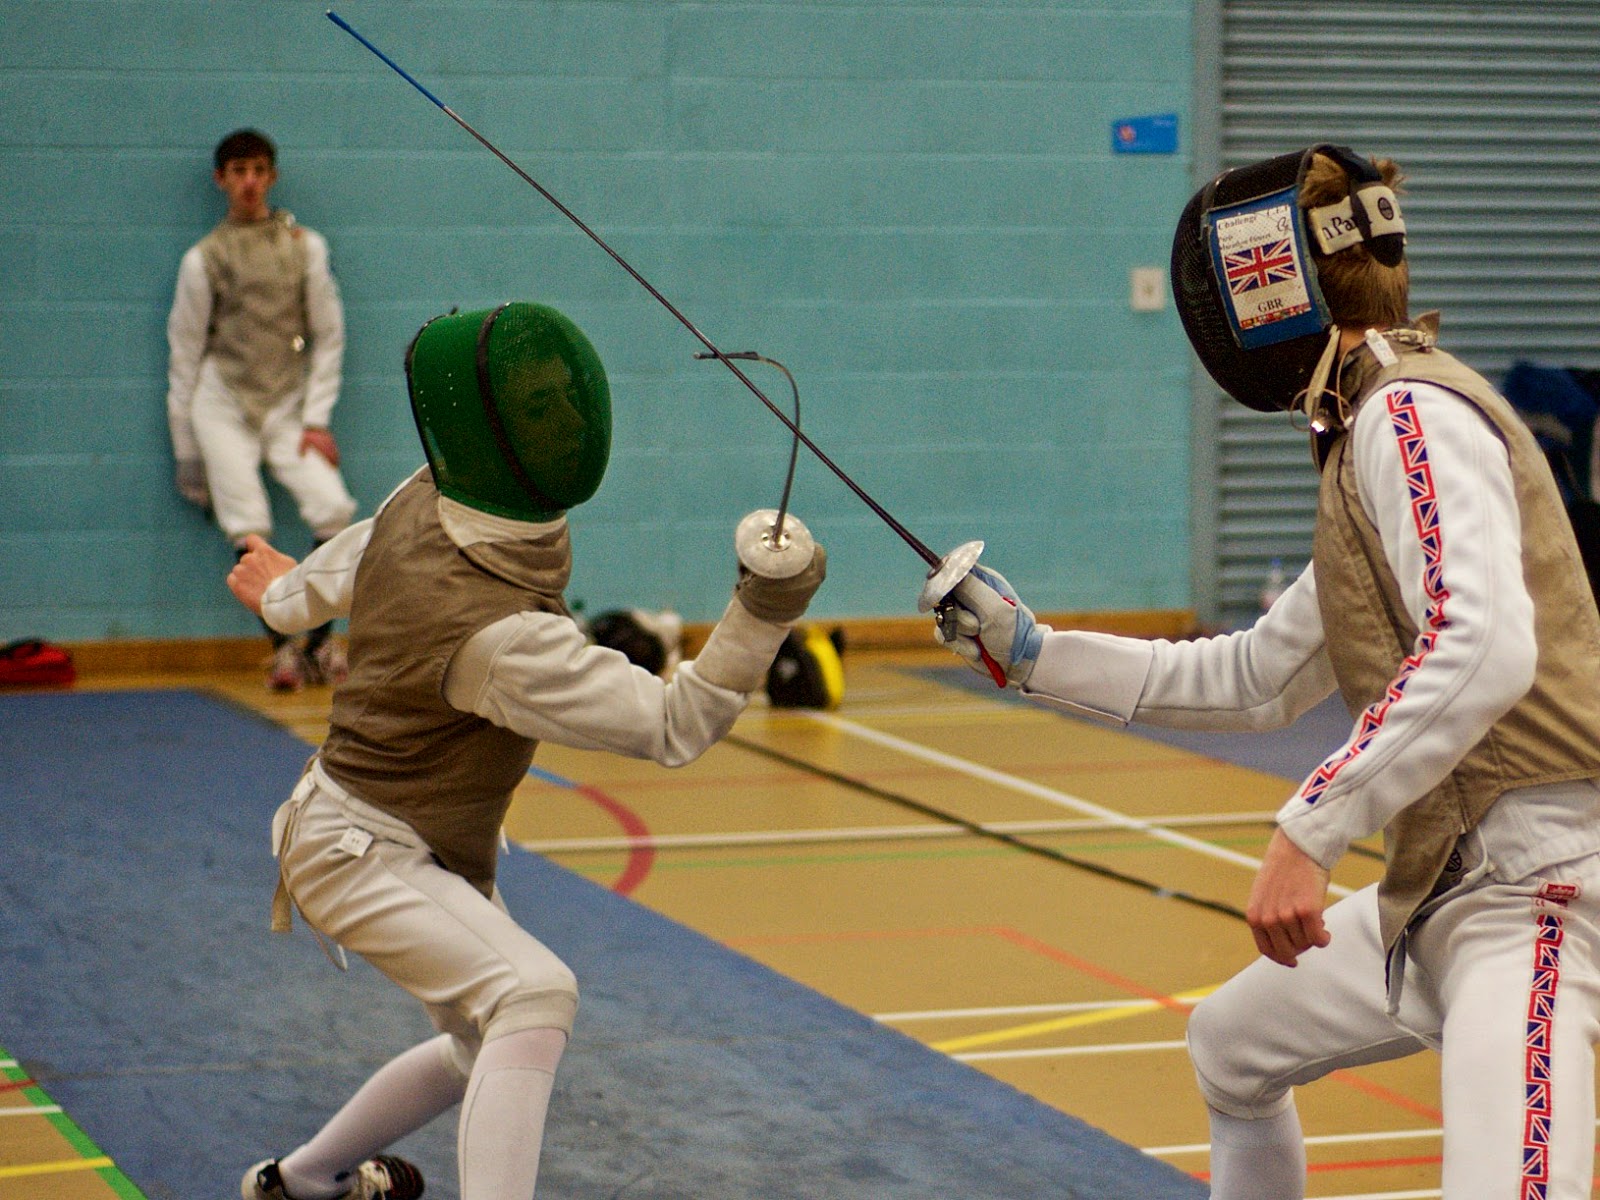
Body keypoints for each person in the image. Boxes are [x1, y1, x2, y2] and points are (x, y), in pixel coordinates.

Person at [923, 145, 1600, 1199]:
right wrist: (1032, 652)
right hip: (1442, 891)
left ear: (1266, 296)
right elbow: (1251, 678)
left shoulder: (1408, 415)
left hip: (1542, 892)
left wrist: (1308, 829)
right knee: (1232, 1048)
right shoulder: (1365, 426)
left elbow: (1488, 639)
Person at [225, 301, 826, 1200]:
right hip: (357, 851)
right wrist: (765, 611)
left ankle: (301, 1181)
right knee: (533, 996)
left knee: (482, 1044)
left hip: (417, 840)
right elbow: (676, 724)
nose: (562, 419)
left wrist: (279, 602)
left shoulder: (420, 494)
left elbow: (335, 572)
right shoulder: (501, 641)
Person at [167, 128, 359, 692]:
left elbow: (329, 335)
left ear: (271, 177)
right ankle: (283, 652)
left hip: (288, 407)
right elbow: (184, 354)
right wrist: (188, 456)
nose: (249, 181)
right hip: (221, 404)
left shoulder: (306, 247)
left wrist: (317, 417)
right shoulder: (202, 260)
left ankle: (319, 646)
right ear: (221, 180)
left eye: (258, 170)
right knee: (247, 522)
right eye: (238, 172)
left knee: (333, 508)